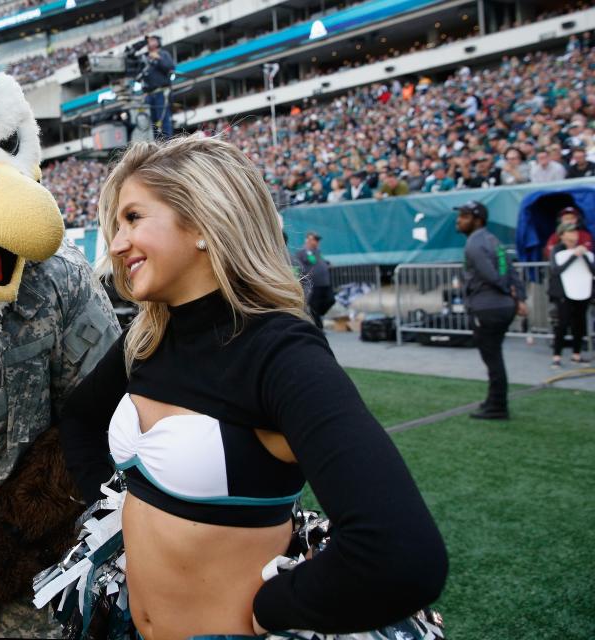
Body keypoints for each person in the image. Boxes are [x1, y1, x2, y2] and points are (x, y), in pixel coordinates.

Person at [60, 136, 447, 638]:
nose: (115, 244)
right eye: (116, 225)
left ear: (201, 222)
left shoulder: (279, 352)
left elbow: (401, 554)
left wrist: (274, 608)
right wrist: (108, 512)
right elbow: (80, 420)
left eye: (133, 218)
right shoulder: (146, 339)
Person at [455, 200, 528, 420]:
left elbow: (490, 274)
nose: (459, 220)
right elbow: (511, 270)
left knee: (492, 358)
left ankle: (497, 406)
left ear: (478, 220)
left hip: (488, 307)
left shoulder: (474, 244)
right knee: (494, 356)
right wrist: (518, 297)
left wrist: (508, 291)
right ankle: (494, 400)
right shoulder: (493, 239)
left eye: (465, 216)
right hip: (500, 306)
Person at [548, 222, 594, 367]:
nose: (574, 234)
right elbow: (556, 270)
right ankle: (556, 356)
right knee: (563, 322)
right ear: (562, 235)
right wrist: (574, 256)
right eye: (571, 232)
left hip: (582, 290)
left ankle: (576, 354)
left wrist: (583, 256)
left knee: (579, 322)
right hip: (563, 292)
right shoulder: (557, 250)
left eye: (575, 232)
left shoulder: (584, 250)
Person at [295, 231, 334, 329]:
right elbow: (300, 266)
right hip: (314, 283)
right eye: (315, 240)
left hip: (325, 282)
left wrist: (326, 264)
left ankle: (318, 317)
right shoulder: (302, 252)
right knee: (314, 306)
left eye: (317, 240)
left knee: (330, 300)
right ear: (308, 240)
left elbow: (320, 262)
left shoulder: (317, 251)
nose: (317, 242)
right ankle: (318, 326)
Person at [139, 35, 175, 138]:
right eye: (149, 41)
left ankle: (167, 143)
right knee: (152, 123)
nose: (149, 42)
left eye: (152, 40)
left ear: (158, 42)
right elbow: (142, 76)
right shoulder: (144, 58)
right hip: (149, 94)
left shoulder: (163, 54)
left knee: (163, 119)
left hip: (162, 92)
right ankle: (157, 144)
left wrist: (158, 58)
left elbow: (170, 67)